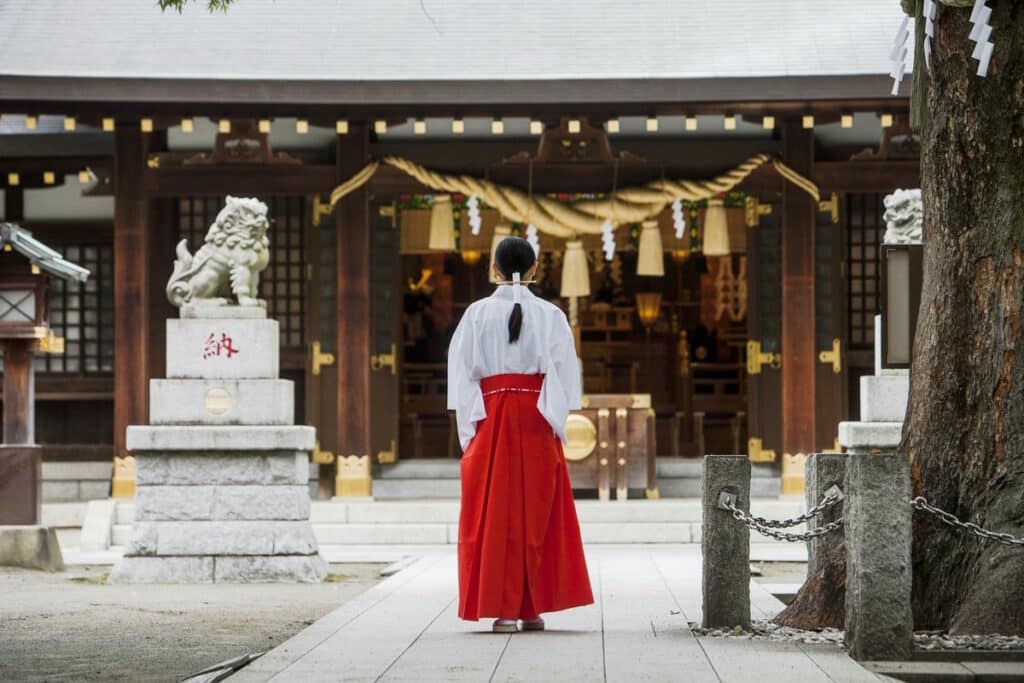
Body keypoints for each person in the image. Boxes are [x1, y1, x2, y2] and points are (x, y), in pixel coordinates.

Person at [447, 236, 594, 634]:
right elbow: (565, 376)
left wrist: (470, 431)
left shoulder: (475, 315)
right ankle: (532, 609)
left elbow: (461, 377)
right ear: (533, 270)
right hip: (537, 416)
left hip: (491, 416)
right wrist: (555, 421)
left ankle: (503, 610)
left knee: (493, 514)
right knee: (538, 512)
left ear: (494, 269)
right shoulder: (552, 315)